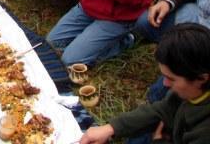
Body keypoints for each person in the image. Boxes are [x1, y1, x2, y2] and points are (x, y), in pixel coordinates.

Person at [80, 23, 210, 144]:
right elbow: (163, 109)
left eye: (171, 78)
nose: (165, 83)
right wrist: (111, 128)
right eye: (163, 76)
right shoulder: (191, 91)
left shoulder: (205, 132)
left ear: (201, 78)